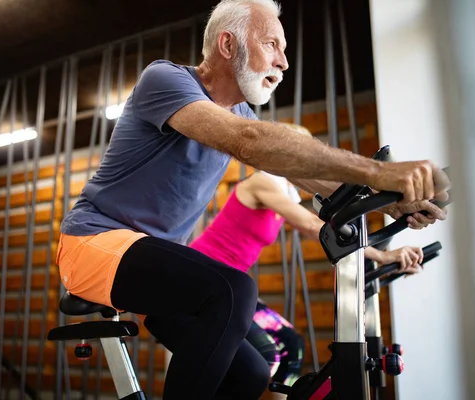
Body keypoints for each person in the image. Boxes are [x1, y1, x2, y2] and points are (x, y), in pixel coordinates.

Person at [56, 0, 449, 398]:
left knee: (251, 373)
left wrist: (392, 201)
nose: (283, 62)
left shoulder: (242, 113)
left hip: (149, 258)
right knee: (233, 292)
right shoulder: (165, 79)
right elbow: (250, 143)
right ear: (227, 45)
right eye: (271, 45)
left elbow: (307, 175)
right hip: (91, 243)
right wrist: (378, 172)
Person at [188, 124, 425, 399]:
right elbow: (314, 227)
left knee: (290, 344)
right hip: (206, 280)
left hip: (231, 285)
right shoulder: (261, 183)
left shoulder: (285, 190)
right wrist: (383, 255)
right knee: (266, 357)